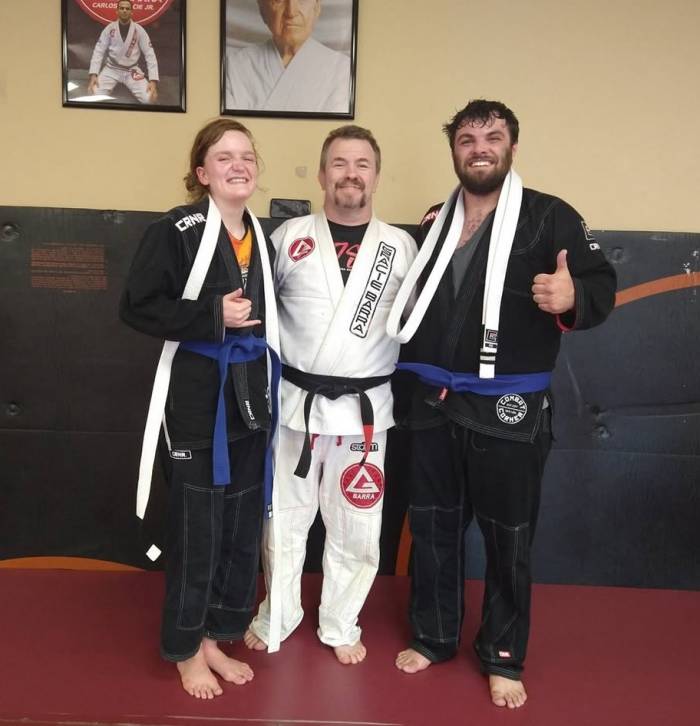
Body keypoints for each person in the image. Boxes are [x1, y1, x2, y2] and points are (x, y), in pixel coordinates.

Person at [387, 100, 616, 708]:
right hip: (433, 402)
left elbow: (601, 284)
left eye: (492, 137)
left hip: (508, 408)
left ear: (512, 146)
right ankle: (434, 636)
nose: (479, 148)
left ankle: (502, 655)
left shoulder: (549, 216)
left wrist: (572, 294)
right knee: (433, 526)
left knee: (508, 538)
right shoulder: (435, 220)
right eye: (467, 139)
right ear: (454, 151)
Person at [243, 125, 417, 664]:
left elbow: (417, 323)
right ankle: (278, 613)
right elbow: (259, 313)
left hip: (365, 414)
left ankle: (341, 622)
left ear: (376, 176)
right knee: (284, 519)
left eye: (362, 164)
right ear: (322, 175)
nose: (350, 174)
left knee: (357, 524)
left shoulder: (399, 247)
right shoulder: (289, 237)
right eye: (339, 163)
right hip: (295, 406)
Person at [120, 118, 280, 699]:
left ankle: (215, 634)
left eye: (247, 156)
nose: (239, 165)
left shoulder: (260, 235)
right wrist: (213, 314)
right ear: (202, 172)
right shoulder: (175, 229)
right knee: (196, 528)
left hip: (249, 396)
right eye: (224, 157)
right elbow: (137, 306)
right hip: (196, 398)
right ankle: (185, 647)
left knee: (239, 524)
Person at [225, 0, 350, 113]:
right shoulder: (234, 67)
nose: (291, 12)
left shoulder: (342, 70)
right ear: (262, 10)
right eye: (279, 1)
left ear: (317, 8)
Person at [88, 0, 159, 104]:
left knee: (149, 99)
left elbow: (150, 54)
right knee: (93, 94)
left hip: (132, 70)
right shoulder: (109, 29)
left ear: (131, 12)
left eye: (127, 8)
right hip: (111, 68)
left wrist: (153, 81)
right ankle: (108, 87)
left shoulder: (139, 30)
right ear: (117, 11)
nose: (124, 10)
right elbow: (99, 50)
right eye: (121, 8)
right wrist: (94, 75)